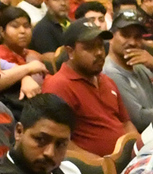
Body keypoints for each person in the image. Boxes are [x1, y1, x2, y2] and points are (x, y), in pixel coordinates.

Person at [40, 20, 136, 157]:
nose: (99, 53)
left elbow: (126, 123)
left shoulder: (106, 80)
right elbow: (58, 140)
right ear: (70, 52)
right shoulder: (59, 86)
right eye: (90, 47)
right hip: (91, 166)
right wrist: (99, 165)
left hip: (127, 160)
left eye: (100, 46)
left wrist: (140, 150)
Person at [100, 8, 153, 134]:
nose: (132, 42)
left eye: (137, 37)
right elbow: (139, 119)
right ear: (111, 37)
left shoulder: (142, 66)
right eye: (125, 35)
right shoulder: (110, 73)